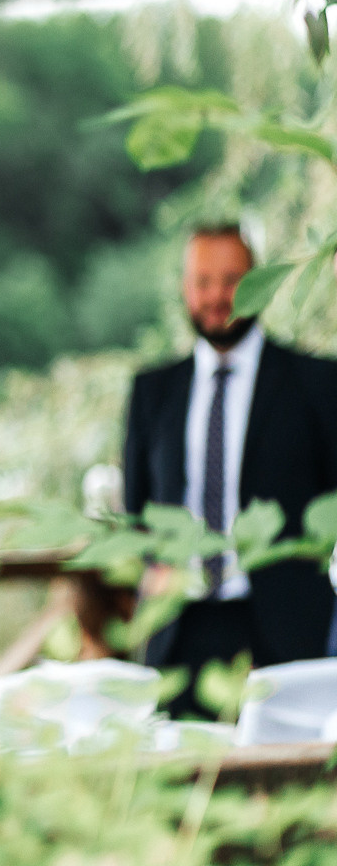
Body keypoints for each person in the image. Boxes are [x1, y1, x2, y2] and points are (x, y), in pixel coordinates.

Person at [123, 223, 337, 717]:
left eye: (233, 279)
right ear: (185, 288)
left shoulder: (317, 383)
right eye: (203, 281)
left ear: (259, 282)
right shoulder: (151, 393)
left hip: (288, 632)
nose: (217, 296)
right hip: (179, 634)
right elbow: (138, 513)